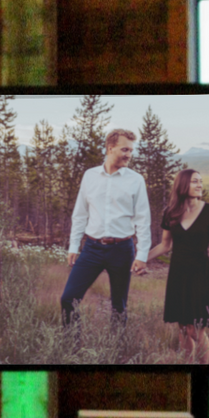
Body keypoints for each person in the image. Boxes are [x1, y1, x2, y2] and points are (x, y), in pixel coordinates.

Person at [60, 128, 150, 329]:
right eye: (125, 150)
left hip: (122, 249)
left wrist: (142, 254)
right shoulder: (90, 176)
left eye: (131, 151)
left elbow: (143, 220)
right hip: (92, 248)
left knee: (119, 306)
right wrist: (73, 246)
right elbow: (80, 214)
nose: (129, 155)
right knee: (68, 299)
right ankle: (70, 348)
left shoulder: (136, 180)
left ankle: (117, 350)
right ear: (110, 148)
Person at [152, 168, 209, 363]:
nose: (200, 185)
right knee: (183, 328)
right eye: (194, 181)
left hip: (200, 275)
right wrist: (141, 258)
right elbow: (165, 245)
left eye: (200, 181)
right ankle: (187, 367)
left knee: (195, 329)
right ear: (182, 185)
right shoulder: (170, 213)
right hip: (178, 275)